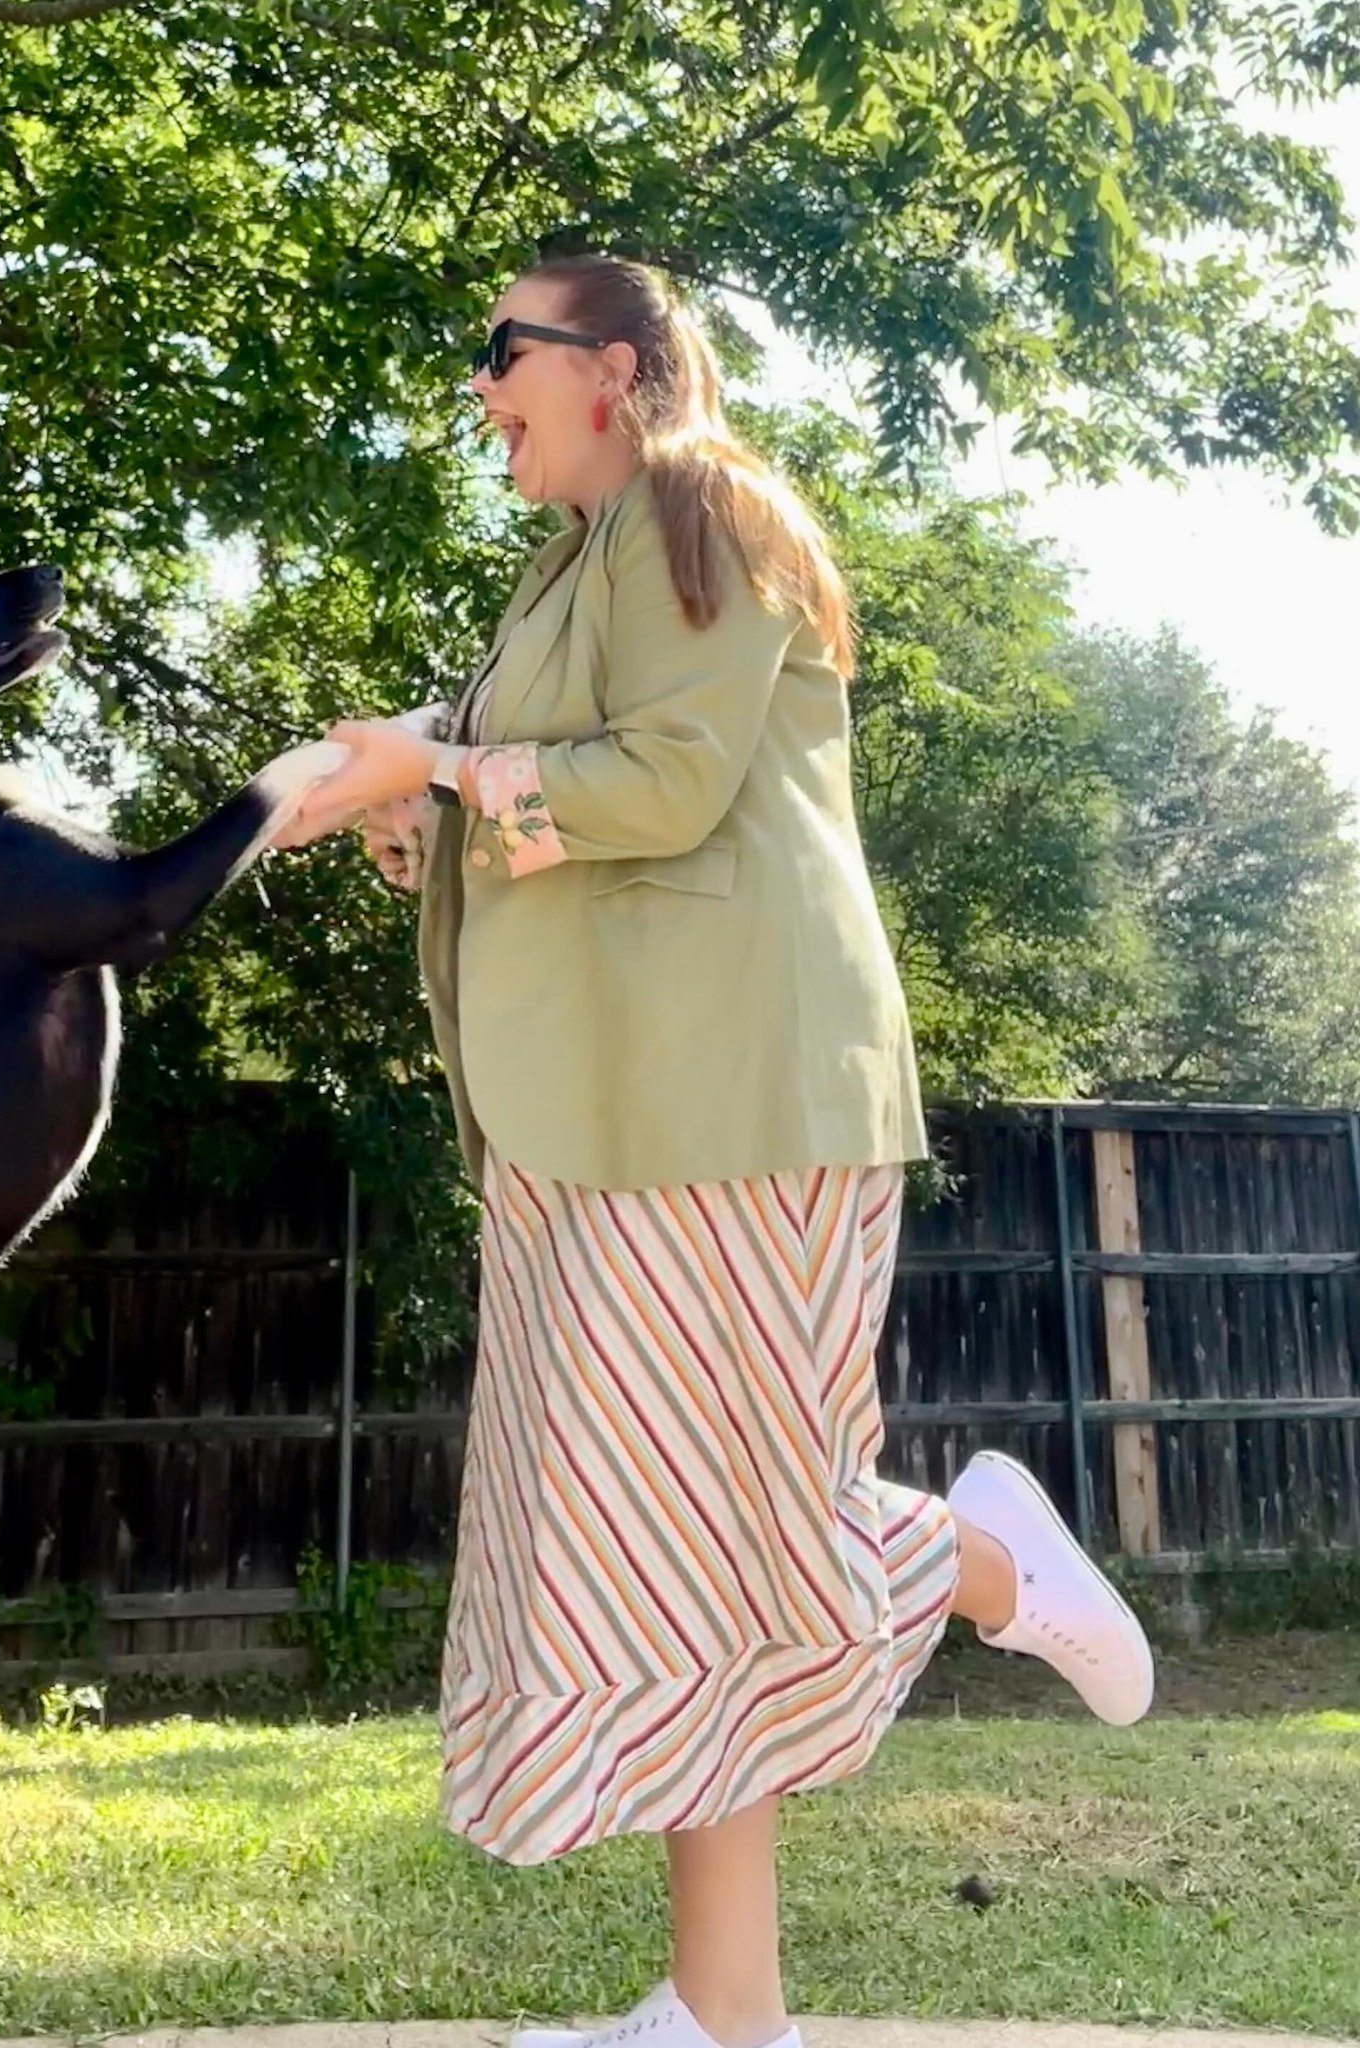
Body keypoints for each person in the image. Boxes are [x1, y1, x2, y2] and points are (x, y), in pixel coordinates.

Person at [272, 254, 1154, 2048]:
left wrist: (440, 777)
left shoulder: (706, 503)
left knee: (734, 1524)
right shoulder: (568, 565)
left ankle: (987, 1563)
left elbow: (665, 782)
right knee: (664, 1547)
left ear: (612, 367)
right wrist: (403, 789)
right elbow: (559, 790)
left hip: (734, 1098)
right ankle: (722, 2015)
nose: (479, 390)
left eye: (499, 353)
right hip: (611, 1106)